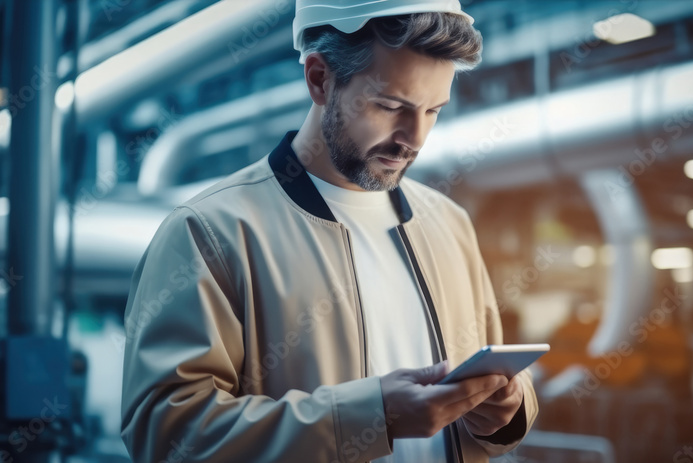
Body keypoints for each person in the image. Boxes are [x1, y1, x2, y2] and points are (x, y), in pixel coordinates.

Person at [120, 1, 538, 461]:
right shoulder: (209, 234)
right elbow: (165, 435)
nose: (414, 139)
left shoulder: (449, 224)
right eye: (390, 106)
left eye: (433, 110)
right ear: (319, 78)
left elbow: (497, 383)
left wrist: (511, 407)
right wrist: (370, 416)